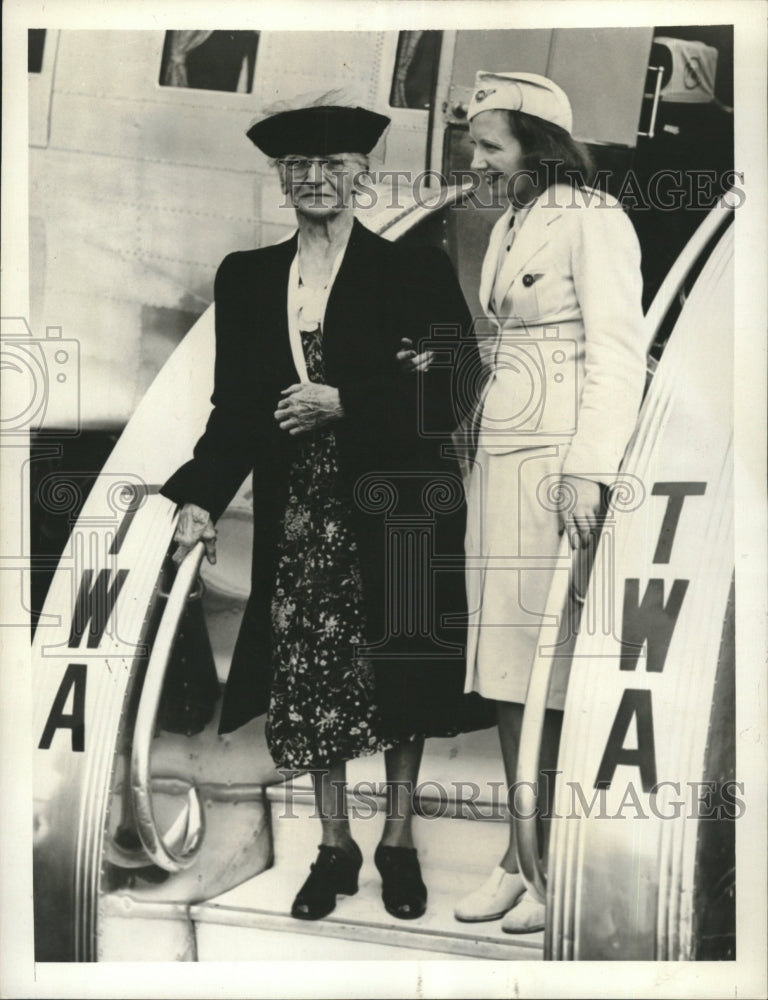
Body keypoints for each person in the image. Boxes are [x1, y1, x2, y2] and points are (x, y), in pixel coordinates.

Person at [160, 97, 491, 924]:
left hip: (401, 500)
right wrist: (200, 495)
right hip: (302, 508)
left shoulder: (412, 270)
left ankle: (398, 842)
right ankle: (335, 846)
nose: (315, 179)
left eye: (334, 166)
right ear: (282, 179)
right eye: (298, 167)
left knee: (402, 665)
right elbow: (237, 407)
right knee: (311, 675)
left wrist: (348, 401)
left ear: (361, 174)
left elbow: (455, 389)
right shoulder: (247, 276)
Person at [446, 72, 647, 933]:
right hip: (502, 455)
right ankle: (516, 853)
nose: (476, 161)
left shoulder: (593, 219)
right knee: (504, 657)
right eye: (473, 145)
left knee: (551, 662)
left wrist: (588, 470)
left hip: (558, 466)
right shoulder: (510, 223)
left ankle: (554, 863)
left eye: (491, 145)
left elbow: (618, 351)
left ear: (539, 146)